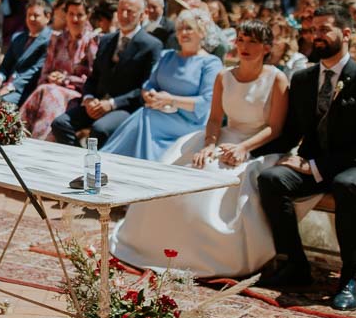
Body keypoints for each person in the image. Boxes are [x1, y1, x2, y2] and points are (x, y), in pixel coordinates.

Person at [255, 3, 356, 312]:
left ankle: (349, 278)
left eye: (324, 29)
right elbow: (289, 135)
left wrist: (313, 166)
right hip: (315, 164)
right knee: (271, 178)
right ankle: (296, 265)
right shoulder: (302, 80)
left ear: (346, 33)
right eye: (312, 30)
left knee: (347, 184)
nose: (316, 36)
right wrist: (242, 152)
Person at [114, 20, 290, 277]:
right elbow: (216, 119)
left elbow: (275, 128)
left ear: (266, 48)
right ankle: (158, 245)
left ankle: (211, 254)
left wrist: (242, 148)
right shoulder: (223, 76)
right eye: (241, 40)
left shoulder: (277, 79)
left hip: (256, 144)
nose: (244, 46)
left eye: (252, 41)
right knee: (185, 168)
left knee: (220, 179)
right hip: (222, 138)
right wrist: (209, 144)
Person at [102, 9, 223, 161]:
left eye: (189, 28)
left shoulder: (210, 63)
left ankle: (119, 161)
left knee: (146, 117)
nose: (183, 32)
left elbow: (206, 102)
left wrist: (170, 100)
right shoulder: (167, 55)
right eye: (180, 29)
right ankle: (114, 160)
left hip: (189, 121)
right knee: (144, 114)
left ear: (202, 32)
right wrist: (149, 96)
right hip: (158, 111)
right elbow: (149, 85)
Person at [50, 0, 162, 146]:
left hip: (125, 107)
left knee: (99, 129)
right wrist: (88, 98)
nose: (123, 15)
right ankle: (80, 159)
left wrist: (111, 103)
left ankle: (93, 164)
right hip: (97, 103)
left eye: (130, 11)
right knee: (60, 123)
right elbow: (93, 77)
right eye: (121, 10)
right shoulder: (107, 40)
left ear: (142, 15)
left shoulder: (151, 45)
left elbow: (145, 88)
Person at [18, 0, 96, 141]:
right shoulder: (58, 39)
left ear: (87, 16)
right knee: (43, 90)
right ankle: (17, 134)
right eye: (71, 14)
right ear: (65, 15)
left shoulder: (91, 41)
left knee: (50, 92)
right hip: (50, 89)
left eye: (79, 15)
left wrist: (66, 79)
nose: (74, 19)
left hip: (77, 95)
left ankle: (42, 141)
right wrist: (50, 77)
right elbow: (45, 73)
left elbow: (94, 78)